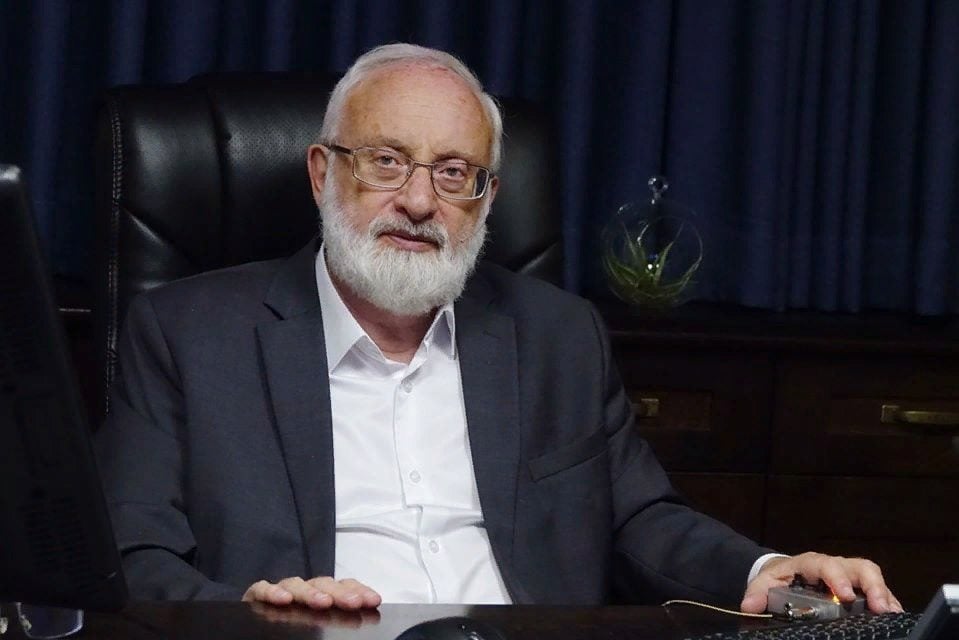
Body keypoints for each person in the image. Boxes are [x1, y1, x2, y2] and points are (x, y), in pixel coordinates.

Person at [94, 43, 901, 615]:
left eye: (454, 173)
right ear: (321, 173)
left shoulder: (558, 336)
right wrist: (245, 614)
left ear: (487, 198)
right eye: (386, 161)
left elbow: (638, 521)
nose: (419, 201)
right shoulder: (188, 335)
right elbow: (133, 555)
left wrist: (766, 568)